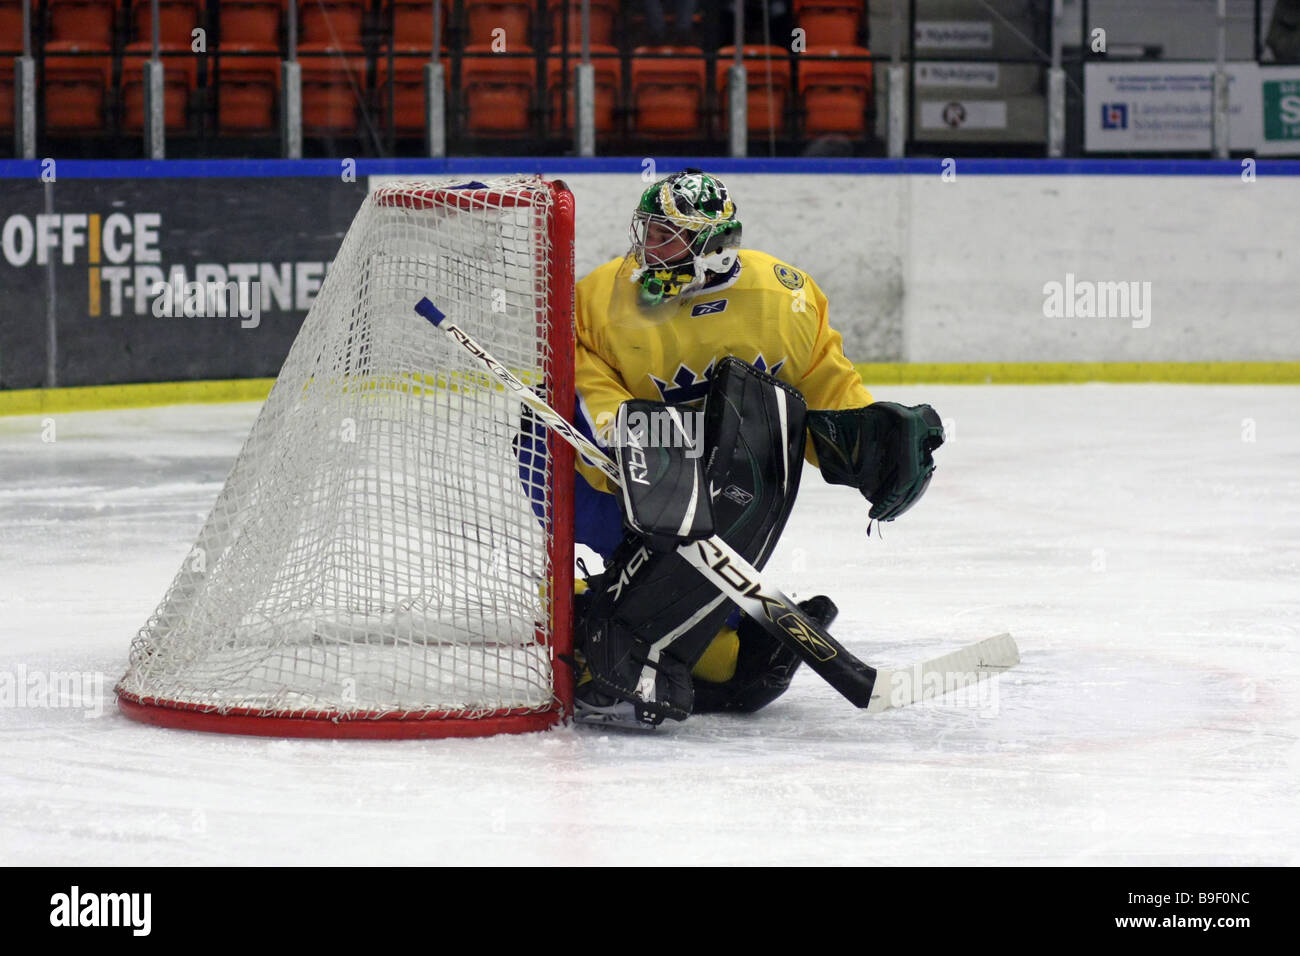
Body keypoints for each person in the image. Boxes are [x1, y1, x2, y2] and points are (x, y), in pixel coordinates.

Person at [521, 169, 944, 729]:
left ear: (710, 248)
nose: (647, 250)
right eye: (647, 233)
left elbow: (824, 385)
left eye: (665, 237)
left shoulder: (784, 297)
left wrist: (865, 443)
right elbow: (589, 397)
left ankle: (708, 629)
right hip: (609, 476)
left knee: (705, 660)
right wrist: (632, 466)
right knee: (543, 445)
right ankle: (630, 609)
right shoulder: (602, 298)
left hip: (724, 482)